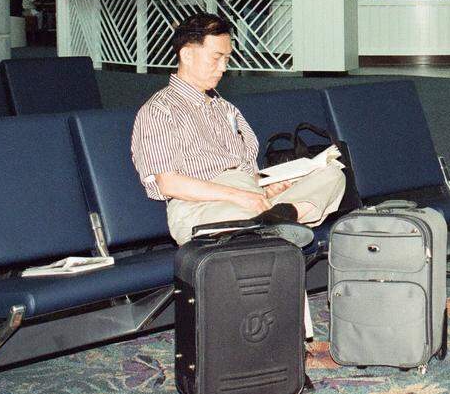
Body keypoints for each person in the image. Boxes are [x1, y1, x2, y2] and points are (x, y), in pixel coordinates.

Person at [130, 13, 346, 246]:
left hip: (250, 199)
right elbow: (170, 183)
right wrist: (241, 196)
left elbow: (246, 174)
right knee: (238, 218)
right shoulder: (159, 110)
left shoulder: (226, 109)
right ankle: (269, 225)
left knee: (332, 175)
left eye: (227, 59)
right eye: (216, 58)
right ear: (187, 54)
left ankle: (273, 221)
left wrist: (266, 190)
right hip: (202, 206)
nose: (223, 67)